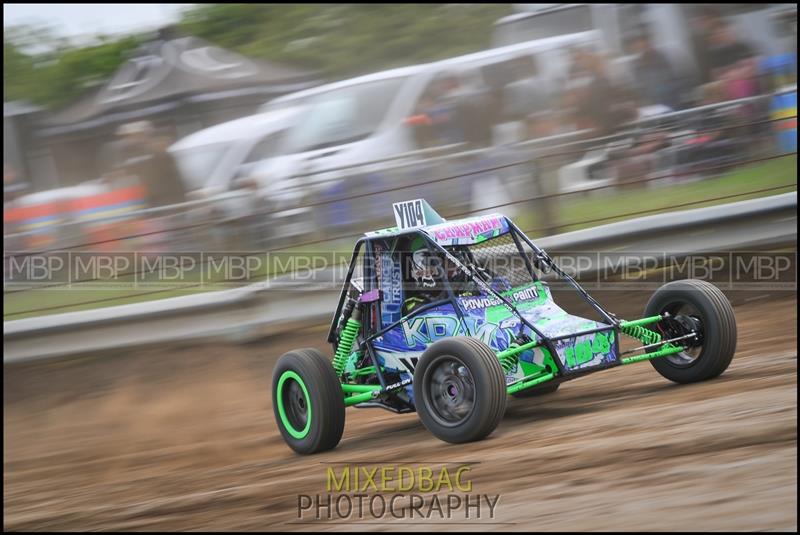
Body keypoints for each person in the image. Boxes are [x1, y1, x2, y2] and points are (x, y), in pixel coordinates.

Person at [629, 33, 681, 110]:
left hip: (669, 96)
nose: (642, 47)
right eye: (640, 46)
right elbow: (640, 82)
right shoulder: (638, 63)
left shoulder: (661, 57)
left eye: (644, 45)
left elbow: (670, 76)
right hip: (652, 100)